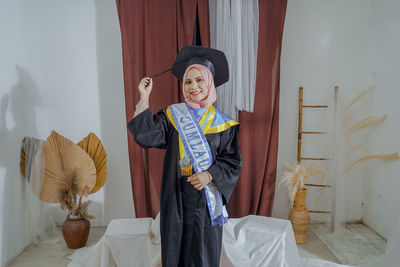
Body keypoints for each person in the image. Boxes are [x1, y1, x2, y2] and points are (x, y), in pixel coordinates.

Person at [128, 45, 241, 267]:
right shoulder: (172, 116)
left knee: (203, 253)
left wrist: (210, 175)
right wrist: (144, 97)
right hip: (176, 194)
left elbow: (232, 162)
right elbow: (147, 134)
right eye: (188, 82)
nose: (193, 86)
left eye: (199, 80)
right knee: (174, 247)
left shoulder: (225, 124)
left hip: (205, 200)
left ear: (209, 82)